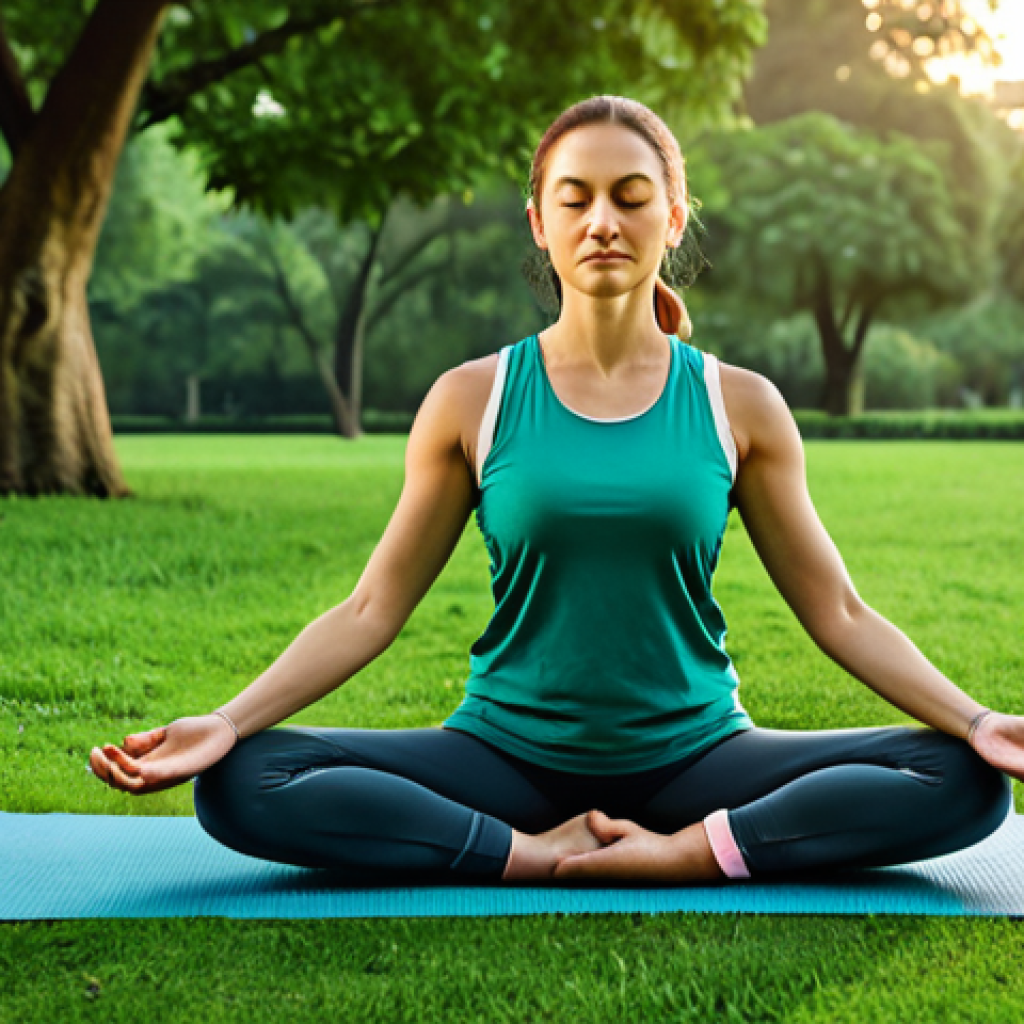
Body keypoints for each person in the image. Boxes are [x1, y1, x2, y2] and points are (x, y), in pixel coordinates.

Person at [90, 95, 1023, 886]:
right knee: (247, 781)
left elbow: (842, 612)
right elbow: (373, 607)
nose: (602, 223)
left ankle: (682, 856)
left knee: (963, 777)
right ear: (540, 221)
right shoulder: (472, 399)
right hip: (504, 758)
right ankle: (533, 856)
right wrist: (226, 721)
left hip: (698, 758)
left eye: (629, 197)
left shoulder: (740, 405)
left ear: (674, 213)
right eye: (574, 200)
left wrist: (980, 722)